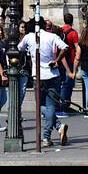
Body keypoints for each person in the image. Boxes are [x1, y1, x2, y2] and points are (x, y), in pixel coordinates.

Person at [20, 17, 70, 146]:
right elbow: (65, 47)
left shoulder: (29, 37)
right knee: (51, 106)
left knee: (40, 106)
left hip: (38, 76)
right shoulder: (52, 36)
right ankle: (56, 128)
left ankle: (48, 136)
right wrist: (56, 60)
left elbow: (18, 49)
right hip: (53, 75)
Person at [58, 12, 80, 120]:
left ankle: (62, 105)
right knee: (68, 84)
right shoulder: (73, 33)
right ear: (72, 21)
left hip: (60, 60)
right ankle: (64, 106)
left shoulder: (60, 31)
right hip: (70, 60)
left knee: (62, 83)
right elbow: (77, 47)